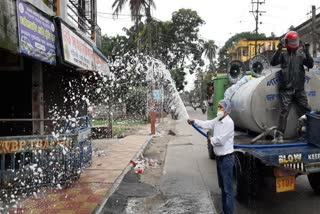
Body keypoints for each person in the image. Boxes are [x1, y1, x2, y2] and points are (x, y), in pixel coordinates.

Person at [187, 99, 235, 214]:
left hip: (227, 159)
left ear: (227, 111)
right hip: (219, 159)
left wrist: (210, 139)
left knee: (228, 190)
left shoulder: (229, 122)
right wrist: (194, 121)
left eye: (221, 108)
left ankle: (229, 212)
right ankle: (225, 211)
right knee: (222, 187)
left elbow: (221, 140)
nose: (219, 109)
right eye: (218, 107)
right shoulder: (218, 119)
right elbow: (207, 124)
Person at [270, 31, 314, 142]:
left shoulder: (301, 54)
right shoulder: (283, 54)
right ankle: (279, 135)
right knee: (284, 112)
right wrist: (279, 49)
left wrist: (307, 51)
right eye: (292, 41)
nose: (294, 43)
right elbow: (273, 62)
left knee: (307, 110)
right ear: (286, 42)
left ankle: (310, 132)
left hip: (299, 89)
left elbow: (310, 64)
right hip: (286, 89)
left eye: (295, 41)